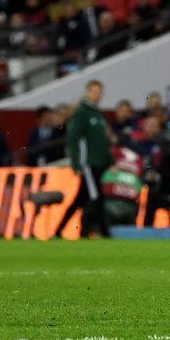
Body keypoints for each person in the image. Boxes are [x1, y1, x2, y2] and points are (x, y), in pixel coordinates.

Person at [55, 80, 113, 239]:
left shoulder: (96, 114)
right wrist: (77, 163)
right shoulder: (82, 113)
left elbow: (102, 141)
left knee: (81, 199)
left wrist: (109, 161)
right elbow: (74, 139)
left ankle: (58, 230)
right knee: (96, 198)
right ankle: (94, 232)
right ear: (87, 92)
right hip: (88, 164)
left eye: (99, 91)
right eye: (94, 91)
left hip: (98, 163)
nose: (97, 95)